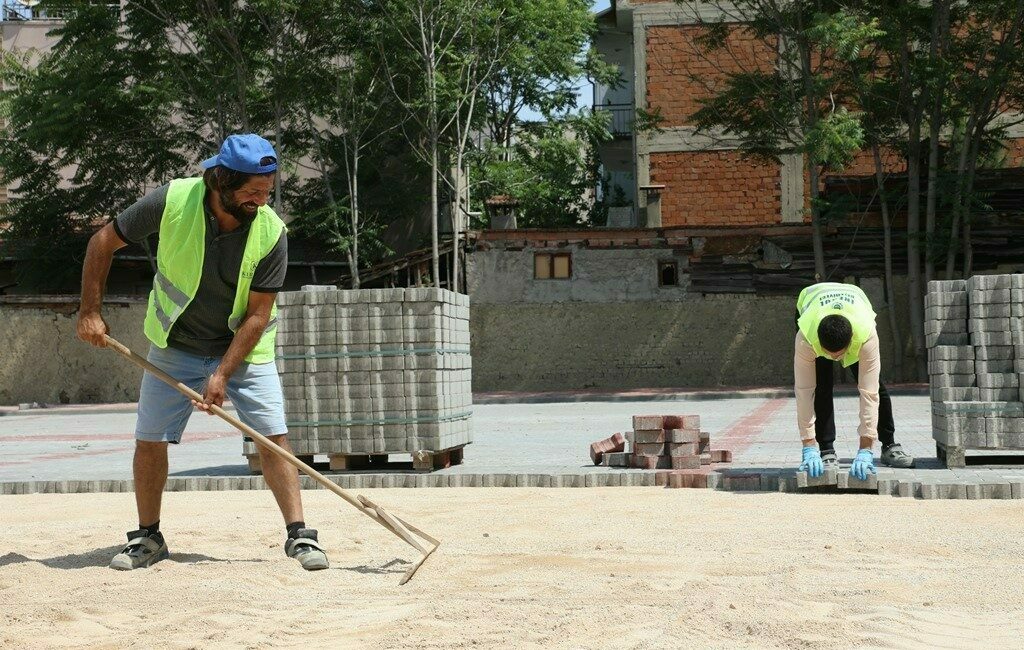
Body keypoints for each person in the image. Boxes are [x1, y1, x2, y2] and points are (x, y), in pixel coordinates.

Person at [77, 134, 328, 571]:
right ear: (221, 182)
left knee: (274, 438)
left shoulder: (271, 231)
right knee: (150, 438)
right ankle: (148, 537)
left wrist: (223, 375)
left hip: (245, 351)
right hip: (177, 344)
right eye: (252, 190)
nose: (260, 199)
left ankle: (299, 535)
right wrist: (90, 312)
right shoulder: (173, 199)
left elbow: (256, 315)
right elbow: (102, 242)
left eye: (267, 190)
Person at [794, 282, 915, 479]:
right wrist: (808, 444)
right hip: (812, 304)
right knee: (821, 385)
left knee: (875, 386)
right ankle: (825, 451)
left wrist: (866, 449)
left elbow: (869, 393)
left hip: (855, 303)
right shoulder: (805, 337)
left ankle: (889, 445)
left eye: (838, 355)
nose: (834, 359)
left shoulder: (866, 335)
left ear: (850, 343)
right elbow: (804, 391)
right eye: (828, 354)